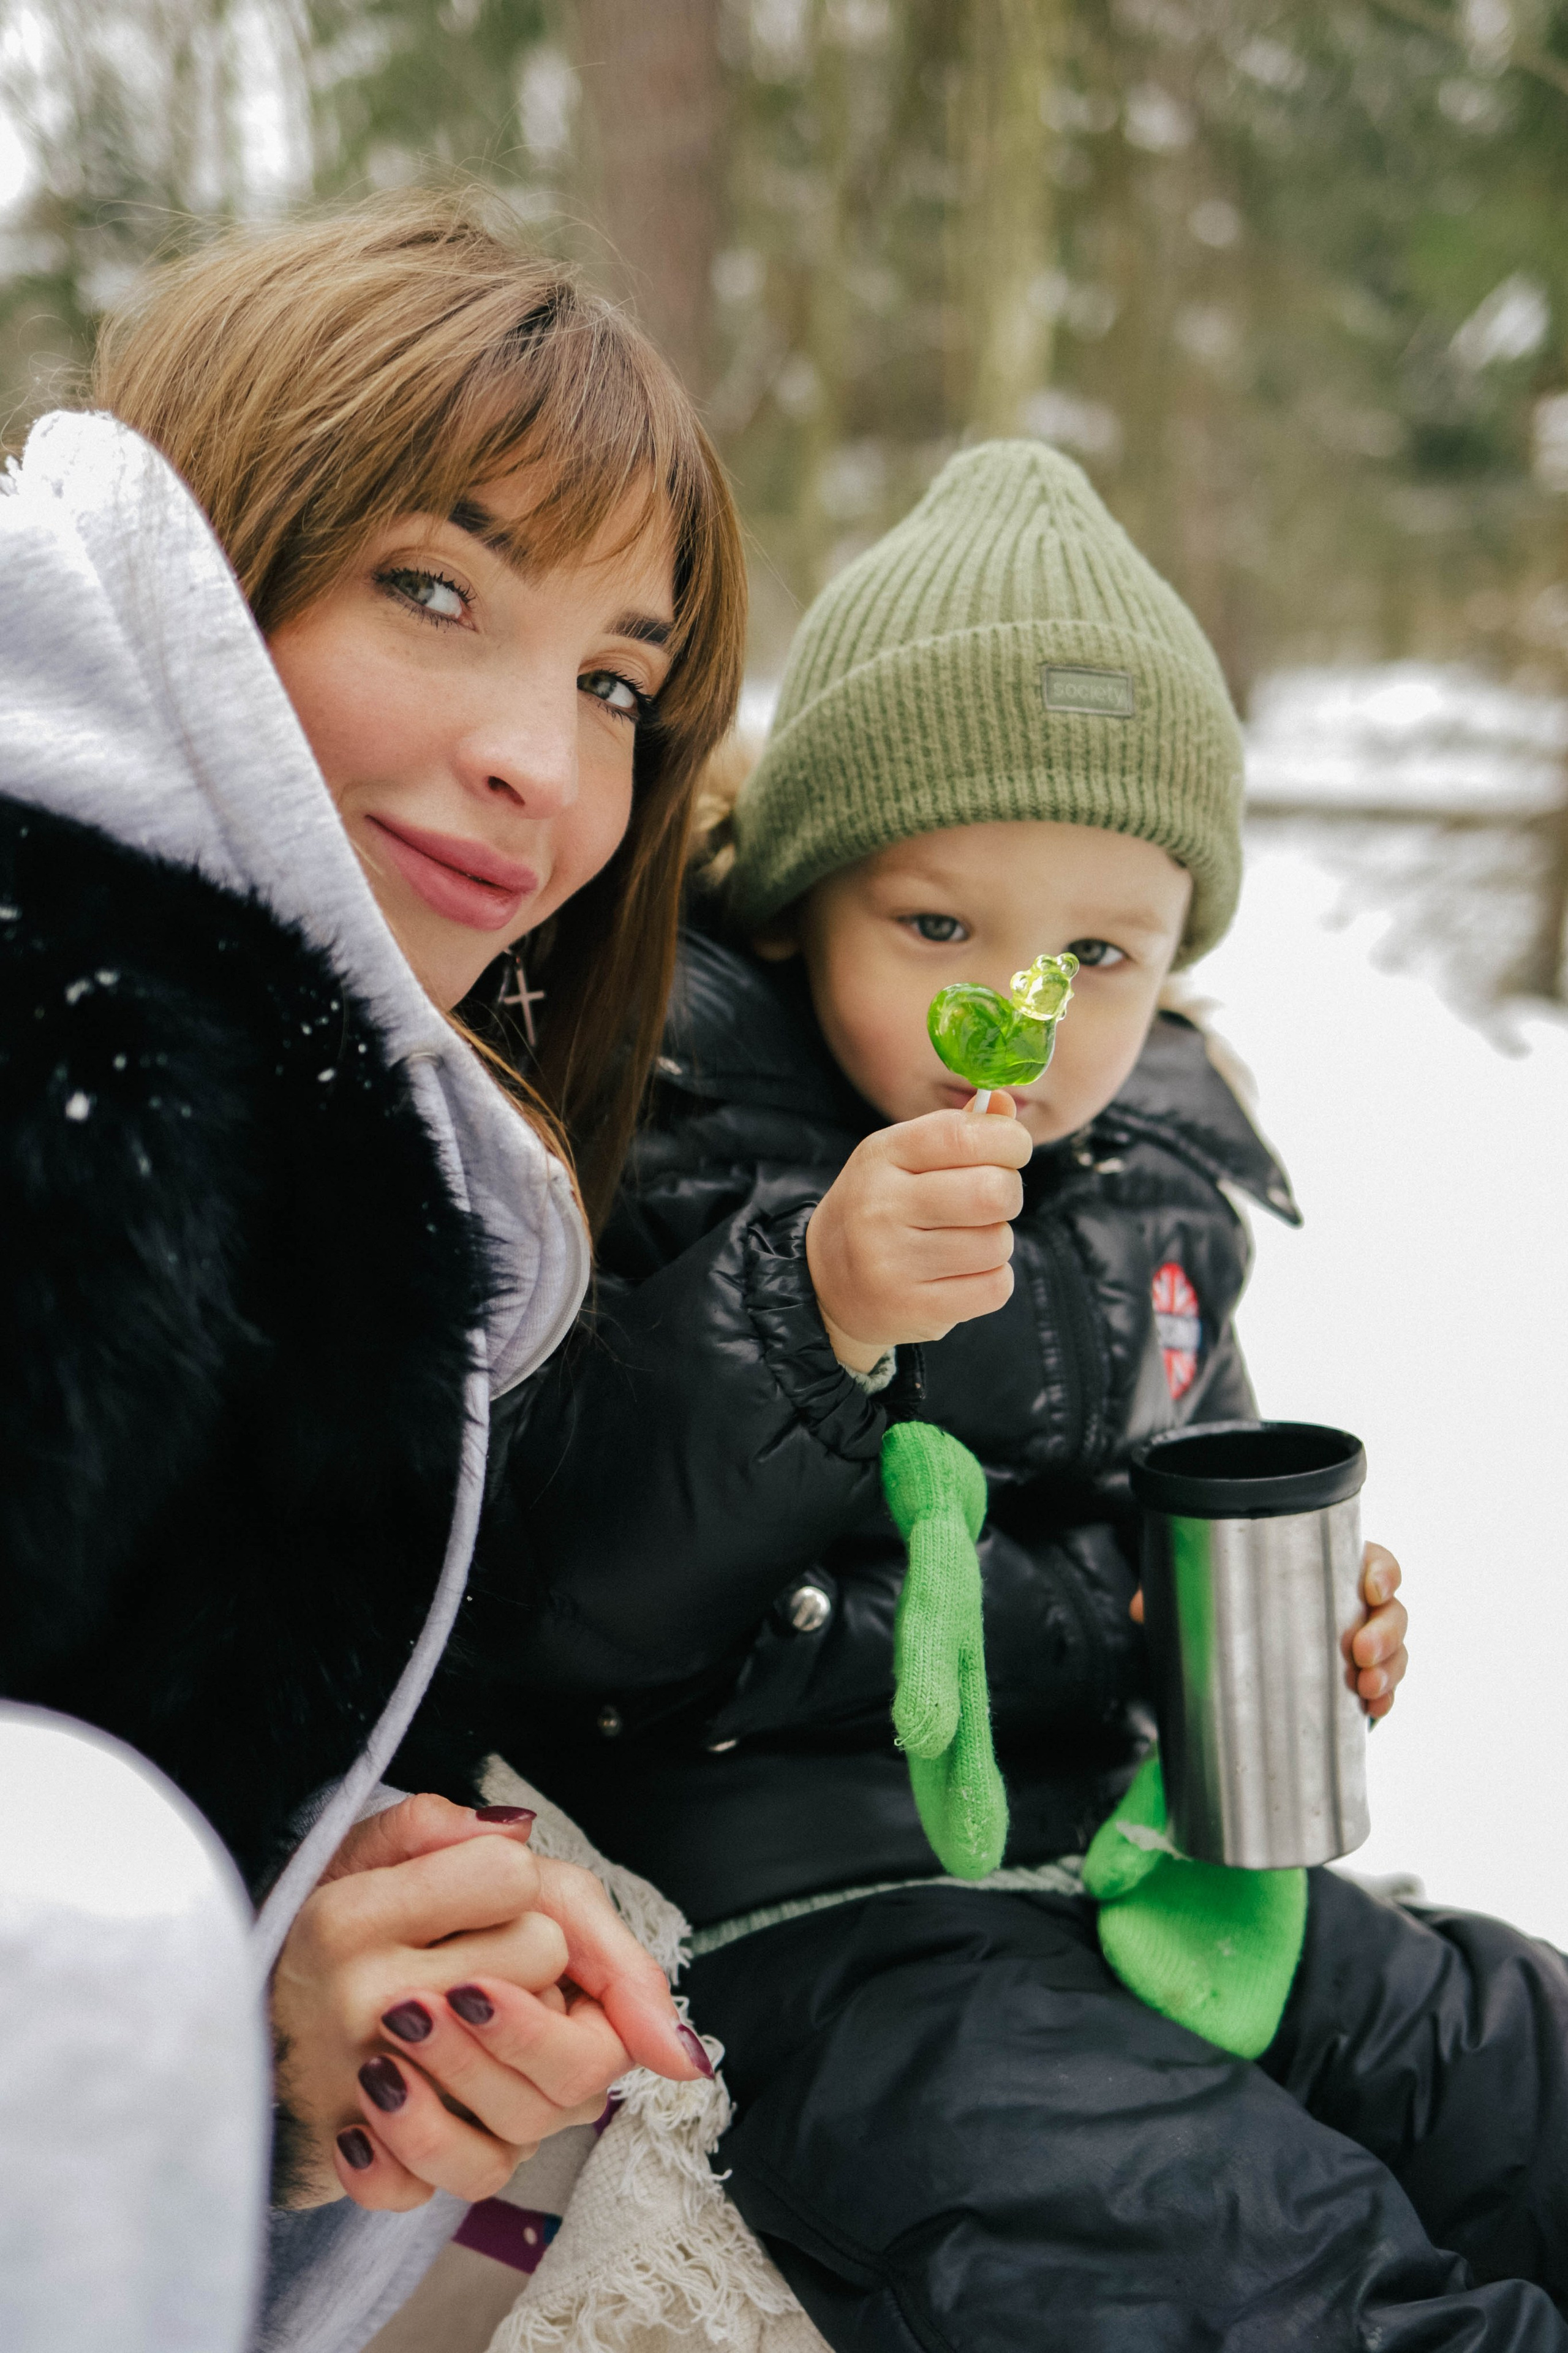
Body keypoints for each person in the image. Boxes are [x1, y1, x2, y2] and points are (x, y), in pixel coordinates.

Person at [425, 442, 1568, 2350]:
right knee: (1233, 2257)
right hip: (822, 1925)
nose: (1025, 1012)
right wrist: (810, 1315)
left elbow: (1182, 1506)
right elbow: (574, 1589)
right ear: (800, 912)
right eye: (942, 932)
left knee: (1510, 2060)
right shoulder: (676, 1121)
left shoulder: (1156, 1186)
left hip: (1150, 1865)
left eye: (1099, 953)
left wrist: (1294, 1617)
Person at [0, 192, 742, 2351]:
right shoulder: (79, 1061)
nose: (547, 766)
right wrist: (208, 2037)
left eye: (618, 679)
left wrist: (341, 1956)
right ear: (187, 570)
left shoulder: (346, 1102)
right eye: (435, 587)